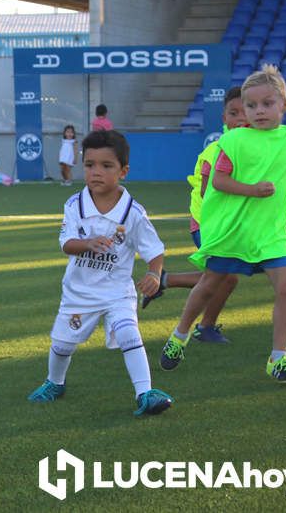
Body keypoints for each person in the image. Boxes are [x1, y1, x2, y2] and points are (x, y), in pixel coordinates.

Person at [159, 65, 286, 384]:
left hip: (271, 232)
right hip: (233, 232)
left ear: (285, 105)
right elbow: (219, 181)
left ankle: (278, 359)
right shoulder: (234, 141)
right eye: (251, 106)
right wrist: (253, 190)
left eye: (267, 104)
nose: (258, 111)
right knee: (209, 284)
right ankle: (179, 337)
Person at [28, 130, 173, 416]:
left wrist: (155, 275)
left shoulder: (133, 212)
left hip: (117, 291)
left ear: (123, 171)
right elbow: (66, 245)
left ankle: (145, 393)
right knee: (62, 344)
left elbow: (154, 250)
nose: (96, 172)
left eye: (106, 166)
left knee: (129, 333)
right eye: (90, 164)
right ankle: (55, 382)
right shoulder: (74, 205)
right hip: (79, 292)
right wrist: (87, 244)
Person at [140, 87, 248, 344]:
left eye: (247, 111)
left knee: (226, 278)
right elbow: (210, 195)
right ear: (224, 118)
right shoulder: (217, 150)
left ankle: (166, 283)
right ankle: (204, 327)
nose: (241, 118)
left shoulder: (251, 149)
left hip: (227, 226)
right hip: (207, 225)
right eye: (234, 113)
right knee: (226, 277)